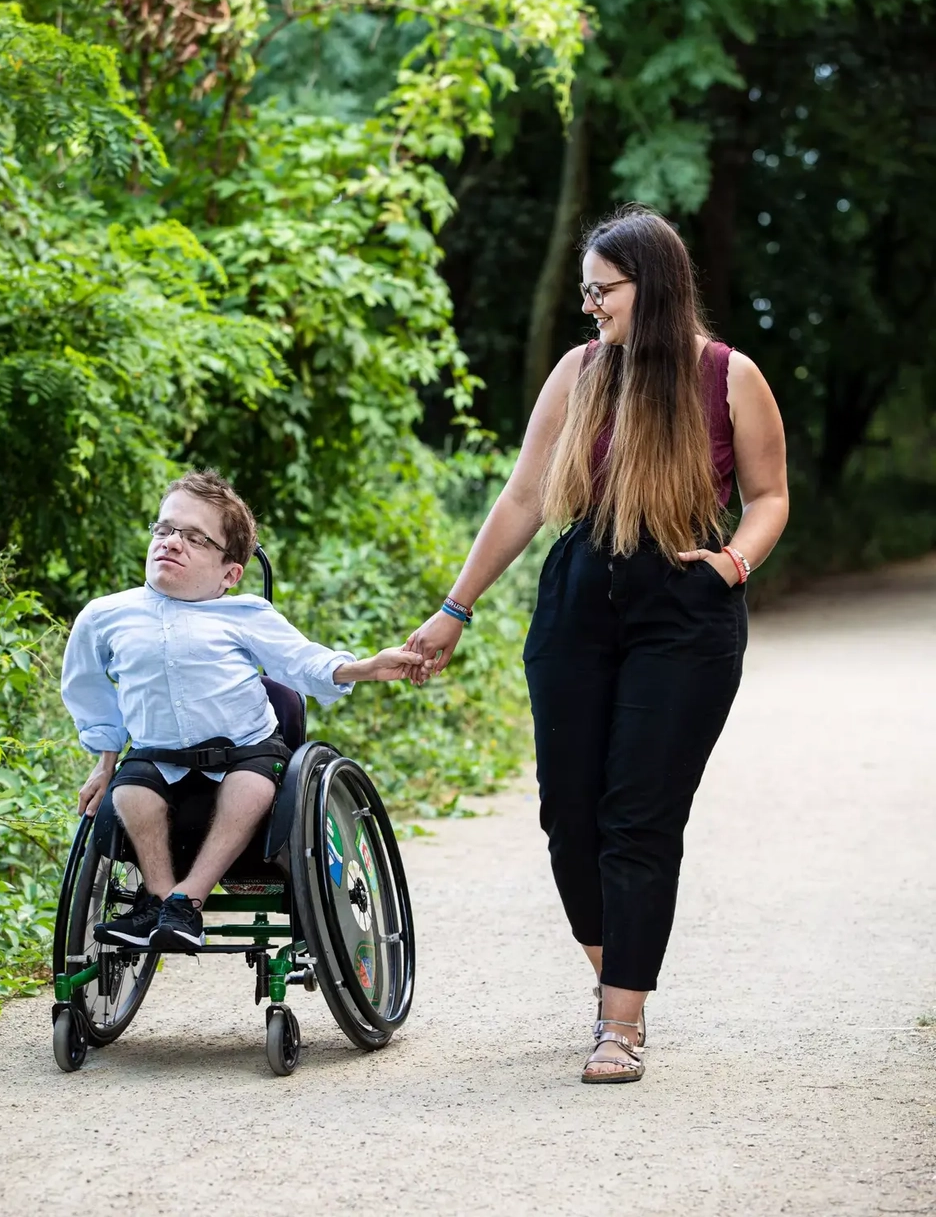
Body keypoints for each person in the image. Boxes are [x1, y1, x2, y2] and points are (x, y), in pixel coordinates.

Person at [405, 204, 788, 1084]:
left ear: (650, 287)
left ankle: (621, 1022)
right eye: (584, 291)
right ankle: (620, 975)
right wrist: (455, 608)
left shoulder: (730, 376)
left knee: (639, 816)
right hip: (578, 597)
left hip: (685, 603)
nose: (589, 306)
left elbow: (769, 496)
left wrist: (733, 563)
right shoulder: (579, 373)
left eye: (601, 290)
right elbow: (523, 498)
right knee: (568, 815)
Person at [61, 469, 428, 953]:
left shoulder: (243, 613)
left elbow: (301, 661)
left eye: (195, 538)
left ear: (229, 574)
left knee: (251, 789)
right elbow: (86, 686)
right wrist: (105, 760)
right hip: (156, 756)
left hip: (245, 752)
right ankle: (159, 900)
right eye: (165, 529)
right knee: (130, 794)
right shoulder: (106, 615)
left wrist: (365, 667)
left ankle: (186, 902)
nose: (172, 542)